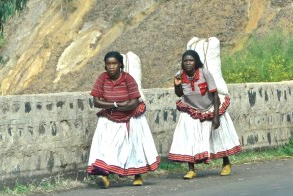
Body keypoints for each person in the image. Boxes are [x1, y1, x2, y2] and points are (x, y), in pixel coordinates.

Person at [87, 51, 160, 188]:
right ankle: (104, 176)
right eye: (108, 64)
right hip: (110, 118)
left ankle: (137, 175)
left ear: (120, 64)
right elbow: (96, 102)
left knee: (134, 146)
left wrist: (115, 105)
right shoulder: (102, 78)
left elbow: (133, 103)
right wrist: (117, 105)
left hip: (131, 117)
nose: (111, 67)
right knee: (106, 147)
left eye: (114, 63)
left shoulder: (128, 79)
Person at [168, 50, 242, 179]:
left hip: (210, 107)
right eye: (185, 61)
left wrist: (216, 117)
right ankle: (191, 169)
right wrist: (176, 85)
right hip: (191, 110)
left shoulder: (204, 73)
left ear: (196, 62)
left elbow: (215, 95)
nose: (188, 63)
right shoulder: (180, 75)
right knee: (189, 138)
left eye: (191, 60)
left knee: (217, 137)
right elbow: (180, 94)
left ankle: (226, 162)